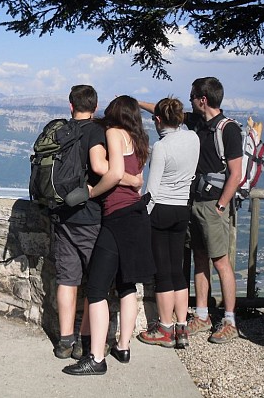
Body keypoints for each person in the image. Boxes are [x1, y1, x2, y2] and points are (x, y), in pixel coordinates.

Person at [138, 77, 242, 344]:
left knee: (220, 261)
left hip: (212, 204)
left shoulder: (228, 130)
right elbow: (165, 112)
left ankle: (230, 320)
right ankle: (203, 314)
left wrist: (221, 206)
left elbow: (236, 173)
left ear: (202, 99)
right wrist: (136, 102)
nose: (190, 100)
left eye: (193, 96)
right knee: (199, 256)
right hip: (191, 201)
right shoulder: (196, 122)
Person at [63, 95, 154, 376]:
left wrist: (92, 192)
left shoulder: (114, 133)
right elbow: (132, 175)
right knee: (127, 285)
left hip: (117, 217)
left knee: (96, 289)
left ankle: (97, 358)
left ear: (114, 113)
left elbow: (113, 174)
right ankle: (123, 347)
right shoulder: (140, 139)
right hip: (138, 216)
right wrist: (135, 181)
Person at [137, 97, 199, 349]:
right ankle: (181, 325)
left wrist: (143, 215)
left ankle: (164, 328)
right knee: (178, 270)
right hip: (182, 208)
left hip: (161, 209)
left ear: (159, 120)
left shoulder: (162, 147)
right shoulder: (193, 138)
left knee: (163, 272)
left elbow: (152, 189)